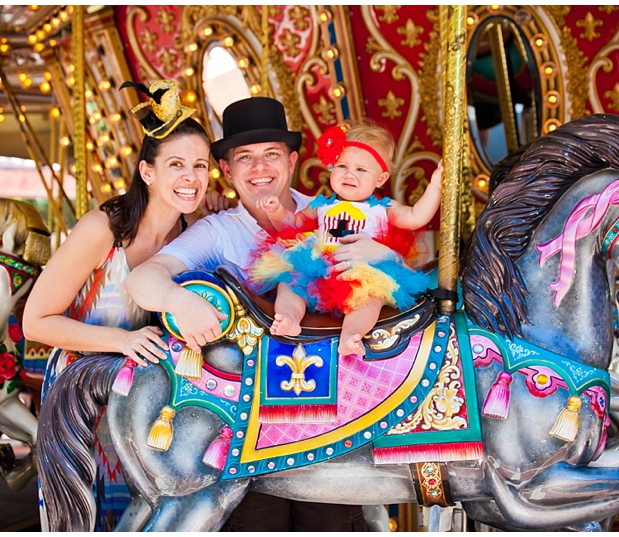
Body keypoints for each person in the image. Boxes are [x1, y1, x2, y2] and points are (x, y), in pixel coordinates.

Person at [125, 96, 410, 531]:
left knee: (332, 521)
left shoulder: (334, 209)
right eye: (245, 158)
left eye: (271, 154)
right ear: (227, 171)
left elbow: (406, 284)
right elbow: (143, 278)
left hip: (337, 412)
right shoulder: (219, 230)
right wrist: (178, 300)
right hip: (251, 419)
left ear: (293, 161)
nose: (260, 168)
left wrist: (381, 250)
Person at [23, 79, 222, 531]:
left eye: (199, 165)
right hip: (82, 395)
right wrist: (125, 340)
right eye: (176, 165)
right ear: (147, 172)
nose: (190, 178)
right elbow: (37, 321)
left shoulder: (191, 238)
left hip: (149, 397)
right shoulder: (103, 228)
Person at [249, 121, 442, 356]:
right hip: (317, 269)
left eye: (361, 170)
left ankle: (351, 334)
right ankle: (289, 317)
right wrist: (275, 210)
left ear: (380, 179)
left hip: (361, 271)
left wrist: (435, 187)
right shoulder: (322, 204)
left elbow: (416, 216)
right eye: (342, 166)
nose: (350, 174)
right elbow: (292, 224)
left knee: (371, 297)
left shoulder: (383, 208)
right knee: (288, 284)